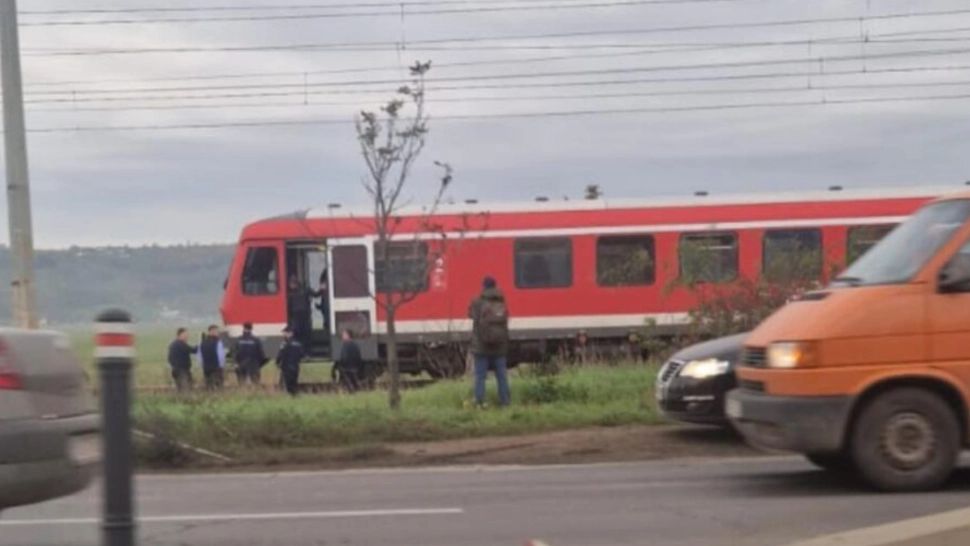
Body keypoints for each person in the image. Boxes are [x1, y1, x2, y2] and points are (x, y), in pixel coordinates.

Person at [468, 276, 511, 407]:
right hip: (500, 346)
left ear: (484, 286)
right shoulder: (501, 301)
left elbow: (470, 315)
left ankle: (479, 402)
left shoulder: (477, 301)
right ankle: (505, 402)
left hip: (481, 346)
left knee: (480, 376)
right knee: (502, 376)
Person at [276, 325, 305, 396]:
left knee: (288, 385)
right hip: (295, 367)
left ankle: (292, 397)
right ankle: (295, 397)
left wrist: (277, 363)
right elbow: (302, 355)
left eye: (285, 333)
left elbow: (281, 355)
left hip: (286, 367)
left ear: (290, 333)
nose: (284, 334)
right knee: (294, 383)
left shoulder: (285, 344)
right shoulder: (298, 343)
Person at [167, 327, 197, 392]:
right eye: (185, 335)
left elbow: (169, 359)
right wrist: (200, 346)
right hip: (182, 371)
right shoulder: (181, 344)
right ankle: (185, 400)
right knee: (185, 388)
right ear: (180, 335)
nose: (187, 336)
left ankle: (181, 400)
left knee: (180, 388)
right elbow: (193, 350)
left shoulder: (173, 344)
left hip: (175, 370)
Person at [197, 325, 227, 391]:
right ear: (212, 331)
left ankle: (210, 399)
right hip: (216, 368)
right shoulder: (218, 342)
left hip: (206, 368)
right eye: (216, 331)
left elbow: (199, 356)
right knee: (218, 387)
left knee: (208, 386)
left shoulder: (202, 342)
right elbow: (221, 356)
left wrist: (203, 365)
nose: (217, 333)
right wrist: (221, 366)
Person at [287, 276, 313, 346]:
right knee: (306, 333)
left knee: (298, 333)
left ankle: (301, 350)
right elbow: (314, 294)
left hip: (297, 316)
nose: (290, 286)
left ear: (295, 284)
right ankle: (307, 352)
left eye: (291, 284)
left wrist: (289, 318)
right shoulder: (306, 290)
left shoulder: (291, 294)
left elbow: (289, 307)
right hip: (305, 315)